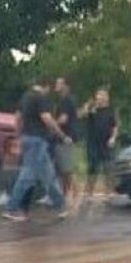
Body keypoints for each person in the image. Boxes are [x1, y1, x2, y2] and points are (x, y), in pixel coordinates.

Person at [3, 77, 71, 222]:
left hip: (26, 138)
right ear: (46, 86)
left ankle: (61, 206)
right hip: (38, 140)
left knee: (48, 175)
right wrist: (61, 134)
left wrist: (18, 135)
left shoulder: (26, 97)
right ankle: (12, 208)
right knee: (27, 176)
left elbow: (17, 118)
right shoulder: (41, 98)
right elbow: (46, 118)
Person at [82, 88, 119, 199]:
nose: (100, 97)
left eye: (103, 95)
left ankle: (109, 192)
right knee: (92, 167)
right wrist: (87, 107)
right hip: (93, 143)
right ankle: (88, 192)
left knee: (108, 167)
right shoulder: (92, 110)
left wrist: (113, 138)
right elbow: (82, 115)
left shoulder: (111, 111)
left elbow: (115, 126)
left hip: (106, 143)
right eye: (98, 95)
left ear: (107, 98)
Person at [54, 77, 79, 208]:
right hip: (66, 137)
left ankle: (75, 197)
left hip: (66, 137)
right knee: (64, 170)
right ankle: (65, 195)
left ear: (66, 86)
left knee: (67, 169)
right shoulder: (68, 100)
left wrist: (51, 125)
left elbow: (63, 119)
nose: (56, 85)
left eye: (59, 83)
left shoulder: (65, 100)